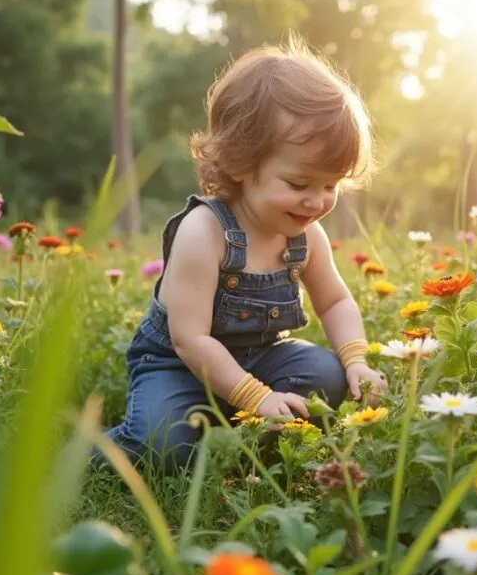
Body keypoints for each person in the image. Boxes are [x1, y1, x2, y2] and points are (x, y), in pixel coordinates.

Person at [106, 40, 388, 470]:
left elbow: (334, 301)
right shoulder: (204, 231)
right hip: (179, 365)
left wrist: (356, 361)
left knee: (325, 377)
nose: (316, 201)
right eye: (299, 184)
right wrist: (257, 397)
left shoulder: (306, 235)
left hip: (261, 356)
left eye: (330, 186)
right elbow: (189, 339)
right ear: (239, 162)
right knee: (162, 445)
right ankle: (93, 453)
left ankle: (243, 447)